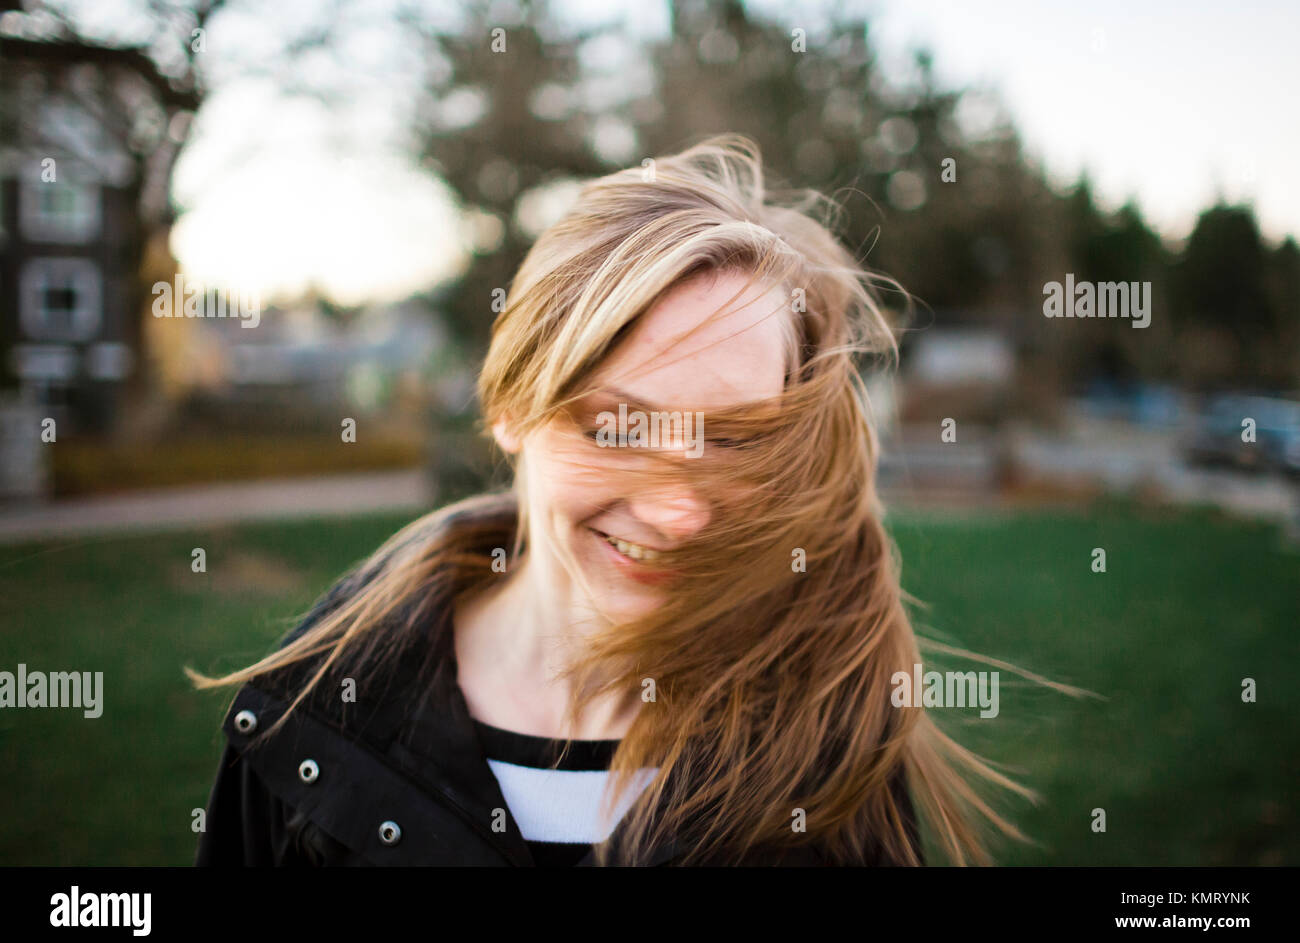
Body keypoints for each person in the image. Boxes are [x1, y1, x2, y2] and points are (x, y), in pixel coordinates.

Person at [190, 133, 1036, 867]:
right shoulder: (314, 720)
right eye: (621, 429)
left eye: (736, 437)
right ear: (510, 405)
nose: (681, 515)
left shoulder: (824, 748)